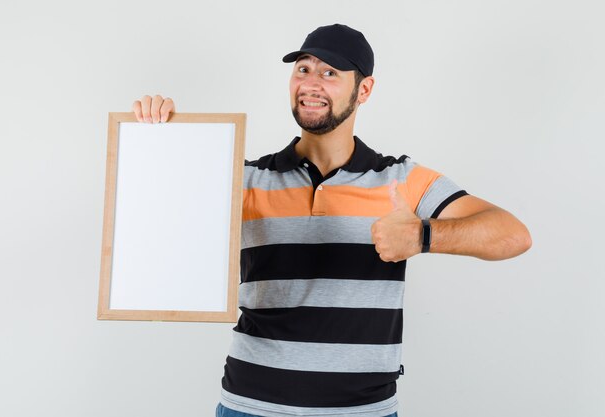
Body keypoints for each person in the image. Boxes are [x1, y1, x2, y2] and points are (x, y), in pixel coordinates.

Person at [132, 23, 532, 417]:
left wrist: (422, 235)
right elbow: (157, 217)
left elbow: (512, 235)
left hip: (363, 411)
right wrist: (160, 137)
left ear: (365, 90)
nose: (311, 83)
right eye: (303, 69)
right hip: (251, 405)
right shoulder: (247, 179)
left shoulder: (401, 179)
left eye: (329, 73)